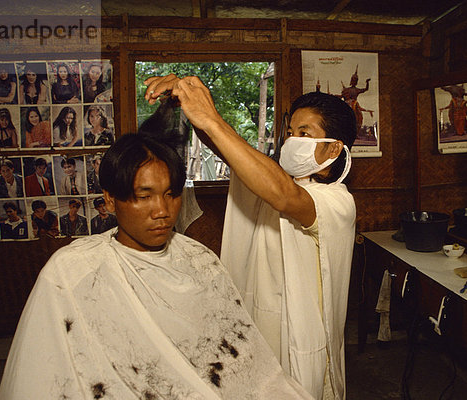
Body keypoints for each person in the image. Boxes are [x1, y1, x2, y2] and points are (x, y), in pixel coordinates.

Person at [0, 132, 311, 399]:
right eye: (143, 196)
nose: (162, 210)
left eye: (171, 194)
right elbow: (43, 375)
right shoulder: (73, 270)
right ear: (108, 201)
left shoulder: (200, 260)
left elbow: (242, 365)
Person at [145, 74, 357, 399]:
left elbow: (284, 198)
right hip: (258, 324)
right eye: (289, 132)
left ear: (332, 147)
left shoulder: (336, 201)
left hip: (300, 338)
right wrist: (193, 108)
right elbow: (232, 154)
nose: (291, 140)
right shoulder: (273, 181)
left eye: (304, 133)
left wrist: (212, 119)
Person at [340, 65, 373, 133]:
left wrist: (367, 82)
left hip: (355, 104)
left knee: (359, 117)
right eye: (353, 80)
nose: (354, 81)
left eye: (355, 80)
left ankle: (355, 132)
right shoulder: (347, 89)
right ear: (351, 81)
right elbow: (342, 96)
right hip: (347, 105)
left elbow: (366, 89)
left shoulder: (357, 90)